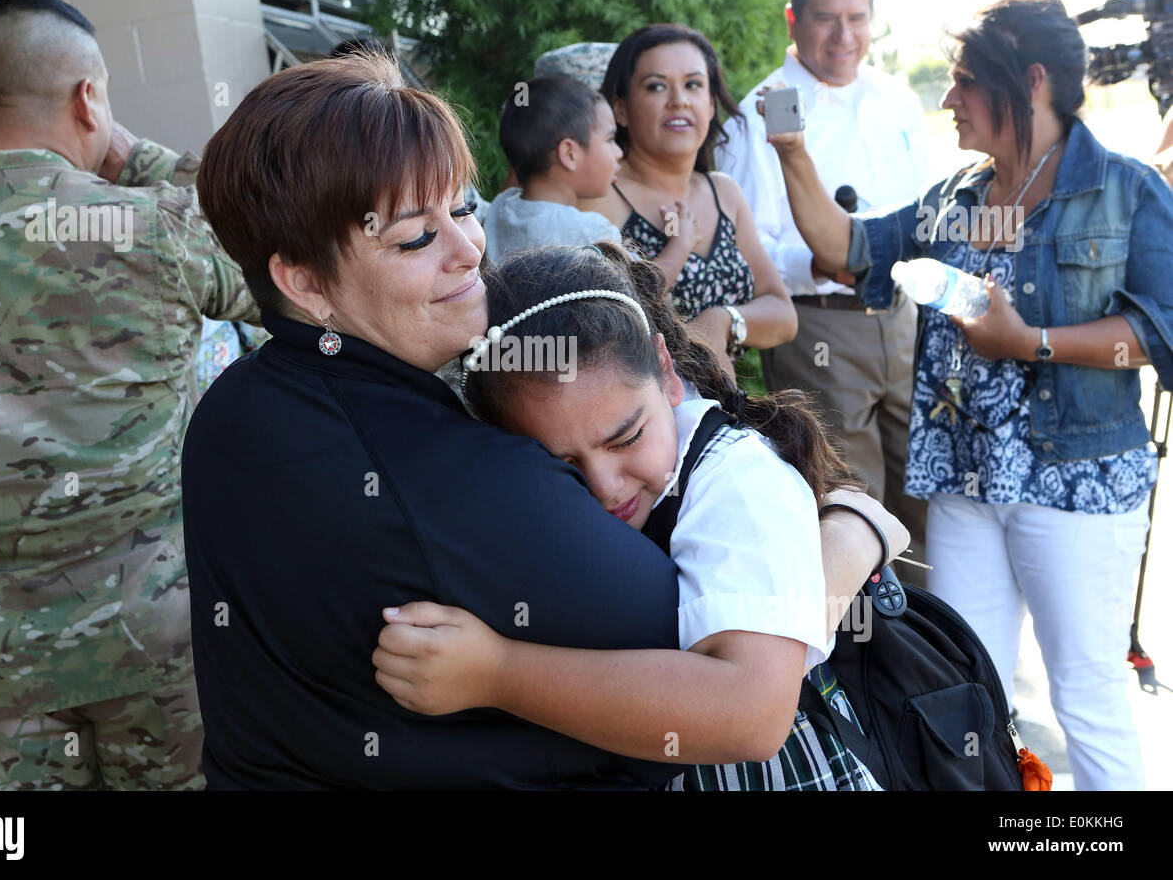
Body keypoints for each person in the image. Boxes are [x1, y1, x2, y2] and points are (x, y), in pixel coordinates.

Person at [184, 50, 897, 789]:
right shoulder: (450, 476)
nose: (468, 250)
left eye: (461, 208)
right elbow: (738, 686)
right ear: (302, 281)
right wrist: (851, 534)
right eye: (415, 237)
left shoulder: (233, 409)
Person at [767, 0, 1173, 791]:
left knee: (1085, 696)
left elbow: (1163, 329)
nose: (947, 99)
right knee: (966, 693)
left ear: (1029, 83)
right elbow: (850, 252)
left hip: (1077, 485)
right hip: (963, 485)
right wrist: (790, 151)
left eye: (962, 82)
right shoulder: (956, 195)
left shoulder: (1125, 191)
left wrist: (1031, 343)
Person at [0, 0, 258, 790]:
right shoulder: (151, 228)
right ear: (90, 99)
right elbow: (271, 257)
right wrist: (134, 153)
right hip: (160, 652)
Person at [375, 242, 907, 790]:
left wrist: (496, 673)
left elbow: (752, 713)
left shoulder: (736, 480)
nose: (605, 486)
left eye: (627, 437)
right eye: (560, 465)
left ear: (666, 371)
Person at [715, 0, 931, 577]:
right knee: (853, 513)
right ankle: (871, 661)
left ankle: (935, 657)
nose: (843, 37)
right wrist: (819, 260)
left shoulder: (898, 100)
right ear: (792, 20)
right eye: (824, 19)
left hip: (906, 318)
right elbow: (744, 246)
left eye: (856, 18)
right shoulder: (757, 115)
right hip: (819, 327)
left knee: (929, 503)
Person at [582, 24, 797, 368]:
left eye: (693, 85)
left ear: (710, 105)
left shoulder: (723, 192)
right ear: (620, 109)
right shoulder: (599, 198)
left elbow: (783, 314)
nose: (679, 100)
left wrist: (724, 320)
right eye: (656, 86)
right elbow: (589, 326)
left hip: (721, 407)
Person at [481, 75, 624, 261]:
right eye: (610, 140)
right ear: (569, 154)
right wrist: (676, 244)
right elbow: (642, 287)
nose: (619, 152)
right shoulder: (593, 231)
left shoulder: (500, 208)